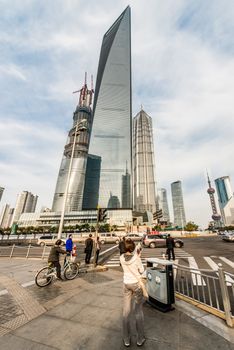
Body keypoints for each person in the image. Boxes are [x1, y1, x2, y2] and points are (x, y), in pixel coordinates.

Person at [120, 238, 146, 347]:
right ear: (133, 247)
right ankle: (140, 339)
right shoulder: (136, 258)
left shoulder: (121, 257)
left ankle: (126, 339)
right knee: (138, 311)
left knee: (126, 312)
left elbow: (127, 261)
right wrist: (138, 257)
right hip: (136, 285)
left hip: (126, 284)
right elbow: (141, 271)